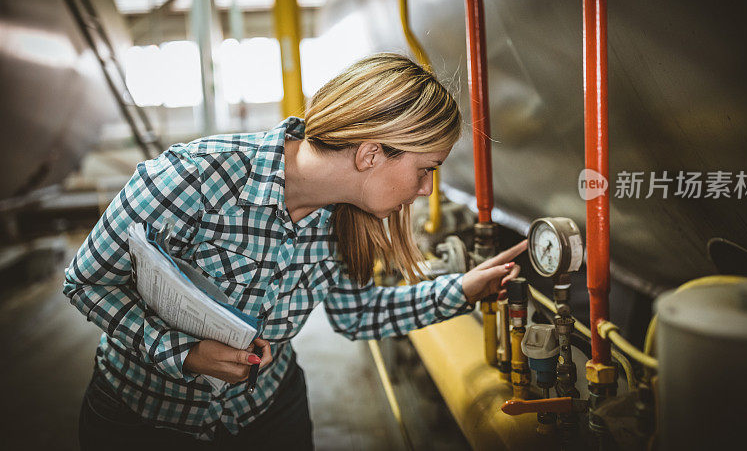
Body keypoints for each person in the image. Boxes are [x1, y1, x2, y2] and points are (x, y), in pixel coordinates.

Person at [65, 53, 525, 450]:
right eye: (425, 169)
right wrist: (181, 352)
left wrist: (463, 288)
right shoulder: (194, 176)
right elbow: (86, 281)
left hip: (268, 413)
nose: (426, 189)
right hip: (144, 421)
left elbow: (356, 315)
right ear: (369, 155)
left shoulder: (349, 215)